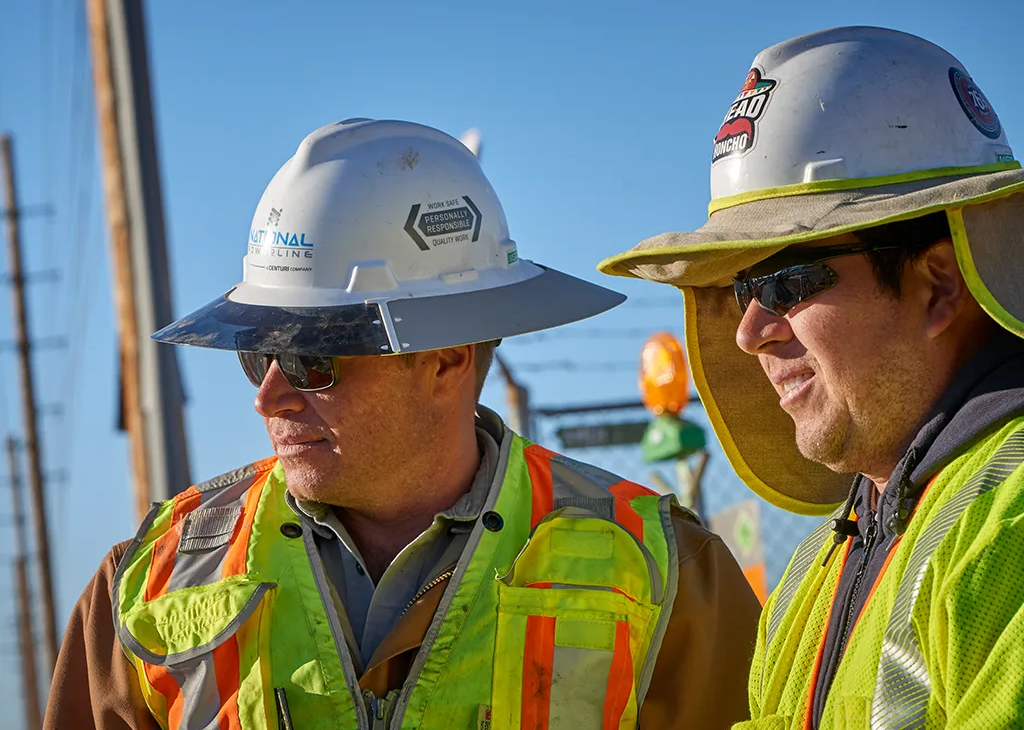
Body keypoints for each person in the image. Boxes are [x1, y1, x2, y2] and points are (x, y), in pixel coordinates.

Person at [46, 119, 760, 730]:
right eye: (259, 354)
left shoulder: (667, 581)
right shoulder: (150, 585)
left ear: (448, 358)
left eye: (309, 359)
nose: (268, 397)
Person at [600, 26, 1024, 729]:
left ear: (939, 284)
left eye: (789, 280)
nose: (749, 331)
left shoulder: (1007, 530)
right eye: (743, 290)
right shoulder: (812, 575)